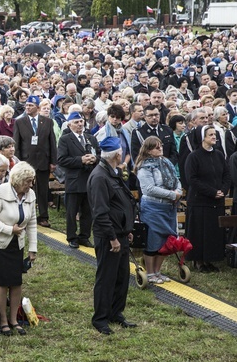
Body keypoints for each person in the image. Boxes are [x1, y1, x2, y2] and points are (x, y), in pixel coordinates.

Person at [87, 136, 136, 335]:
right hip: (109, 236)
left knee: (121, 277)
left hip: (121, 234)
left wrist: (127, 229)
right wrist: (113, 238)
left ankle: (116, 312)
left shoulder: (112, 172)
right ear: (117, 154)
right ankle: (100, 319)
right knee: (106, 278)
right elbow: (100, 212)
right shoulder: (99, 176)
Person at [0, 161, 38, 336]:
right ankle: (3, 320)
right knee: (1, 283)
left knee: (16, 282)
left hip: (16, 244)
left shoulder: (30, 194)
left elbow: (33, 223)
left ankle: (14, 320)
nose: (30, 185)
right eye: (27, 181)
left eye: (31, 181)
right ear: (18, 180)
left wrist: (33, 248)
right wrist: (9, 229)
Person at [134, 136, 183, 283]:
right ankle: (150, 273)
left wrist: (178, 192)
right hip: (153, 207)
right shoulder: (144, 166)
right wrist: (171, 194)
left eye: (161, 145)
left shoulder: (166, 162)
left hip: (169, 206)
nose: (160, 148)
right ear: (148, 150)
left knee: (166, 240)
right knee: (153, 240)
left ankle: (158, 271)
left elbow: (176, 179)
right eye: (156, 147)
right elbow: (148, 189)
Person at [185, 125, 230, 273]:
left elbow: (226, 175)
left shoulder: (218, 155)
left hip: (217, 201)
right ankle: (199, 261)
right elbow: (192, 180)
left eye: (214, 134)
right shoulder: (194, 156)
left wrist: (223, 190)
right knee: (199, 233)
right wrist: (212, 192)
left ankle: (210, 259)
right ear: (202, 137)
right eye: (210, 134)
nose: (214, 137)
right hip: (200, 202)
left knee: (212, 232)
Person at [12, 95, 57, 227]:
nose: (27, 107)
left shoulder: (47, 122)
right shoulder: (20, 122)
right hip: (26, 161)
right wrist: (18, 162)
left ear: (37, 107)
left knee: (43, 190)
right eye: (26, 105)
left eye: (31, 105)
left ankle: (43, 216)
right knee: (24, 189)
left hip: (43, 160)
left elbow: (52, 142)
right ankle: (23, 216)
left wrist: (53, 161)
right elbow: (17, 143)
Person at [57, 112, 100, 248]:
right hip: (74, 180)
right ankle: (72, 237)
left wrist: (95, 159)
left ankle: (84, 236)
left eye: (81, 121)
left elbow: (99, 154)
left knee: (88, 212)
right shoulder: (65, 139)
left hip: (89, 180)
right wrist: (80, 160)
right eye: (76, 122)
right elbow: (62, 160)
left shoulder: (91, 138)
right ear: (69, 125)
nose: (80, 124)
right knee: (72, 211)